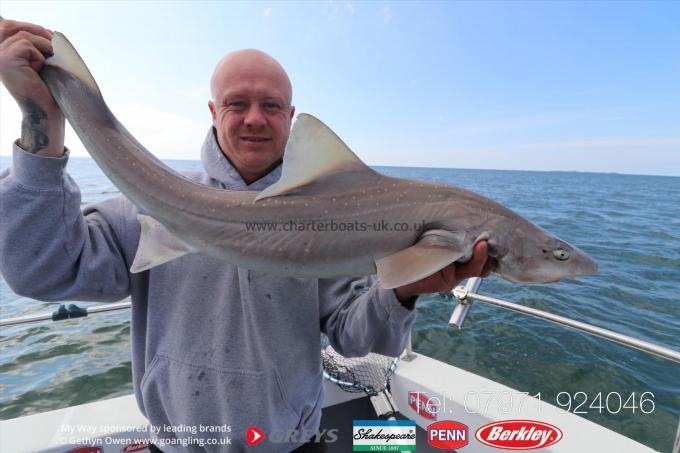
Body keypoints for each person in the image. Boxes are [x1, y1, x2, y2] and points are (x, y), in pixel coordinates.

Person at [0, 18, 496, 453]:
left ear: (291, 116)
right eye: (238, 103)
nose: (255, 118)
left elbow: (353, 337)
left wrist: (403, 289)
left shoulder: (337, 223)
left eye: (271, 106)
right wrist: (41, 121)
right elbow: (40, 270)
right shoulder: (144, 213)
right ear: (213, 111)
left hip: (290, 443)